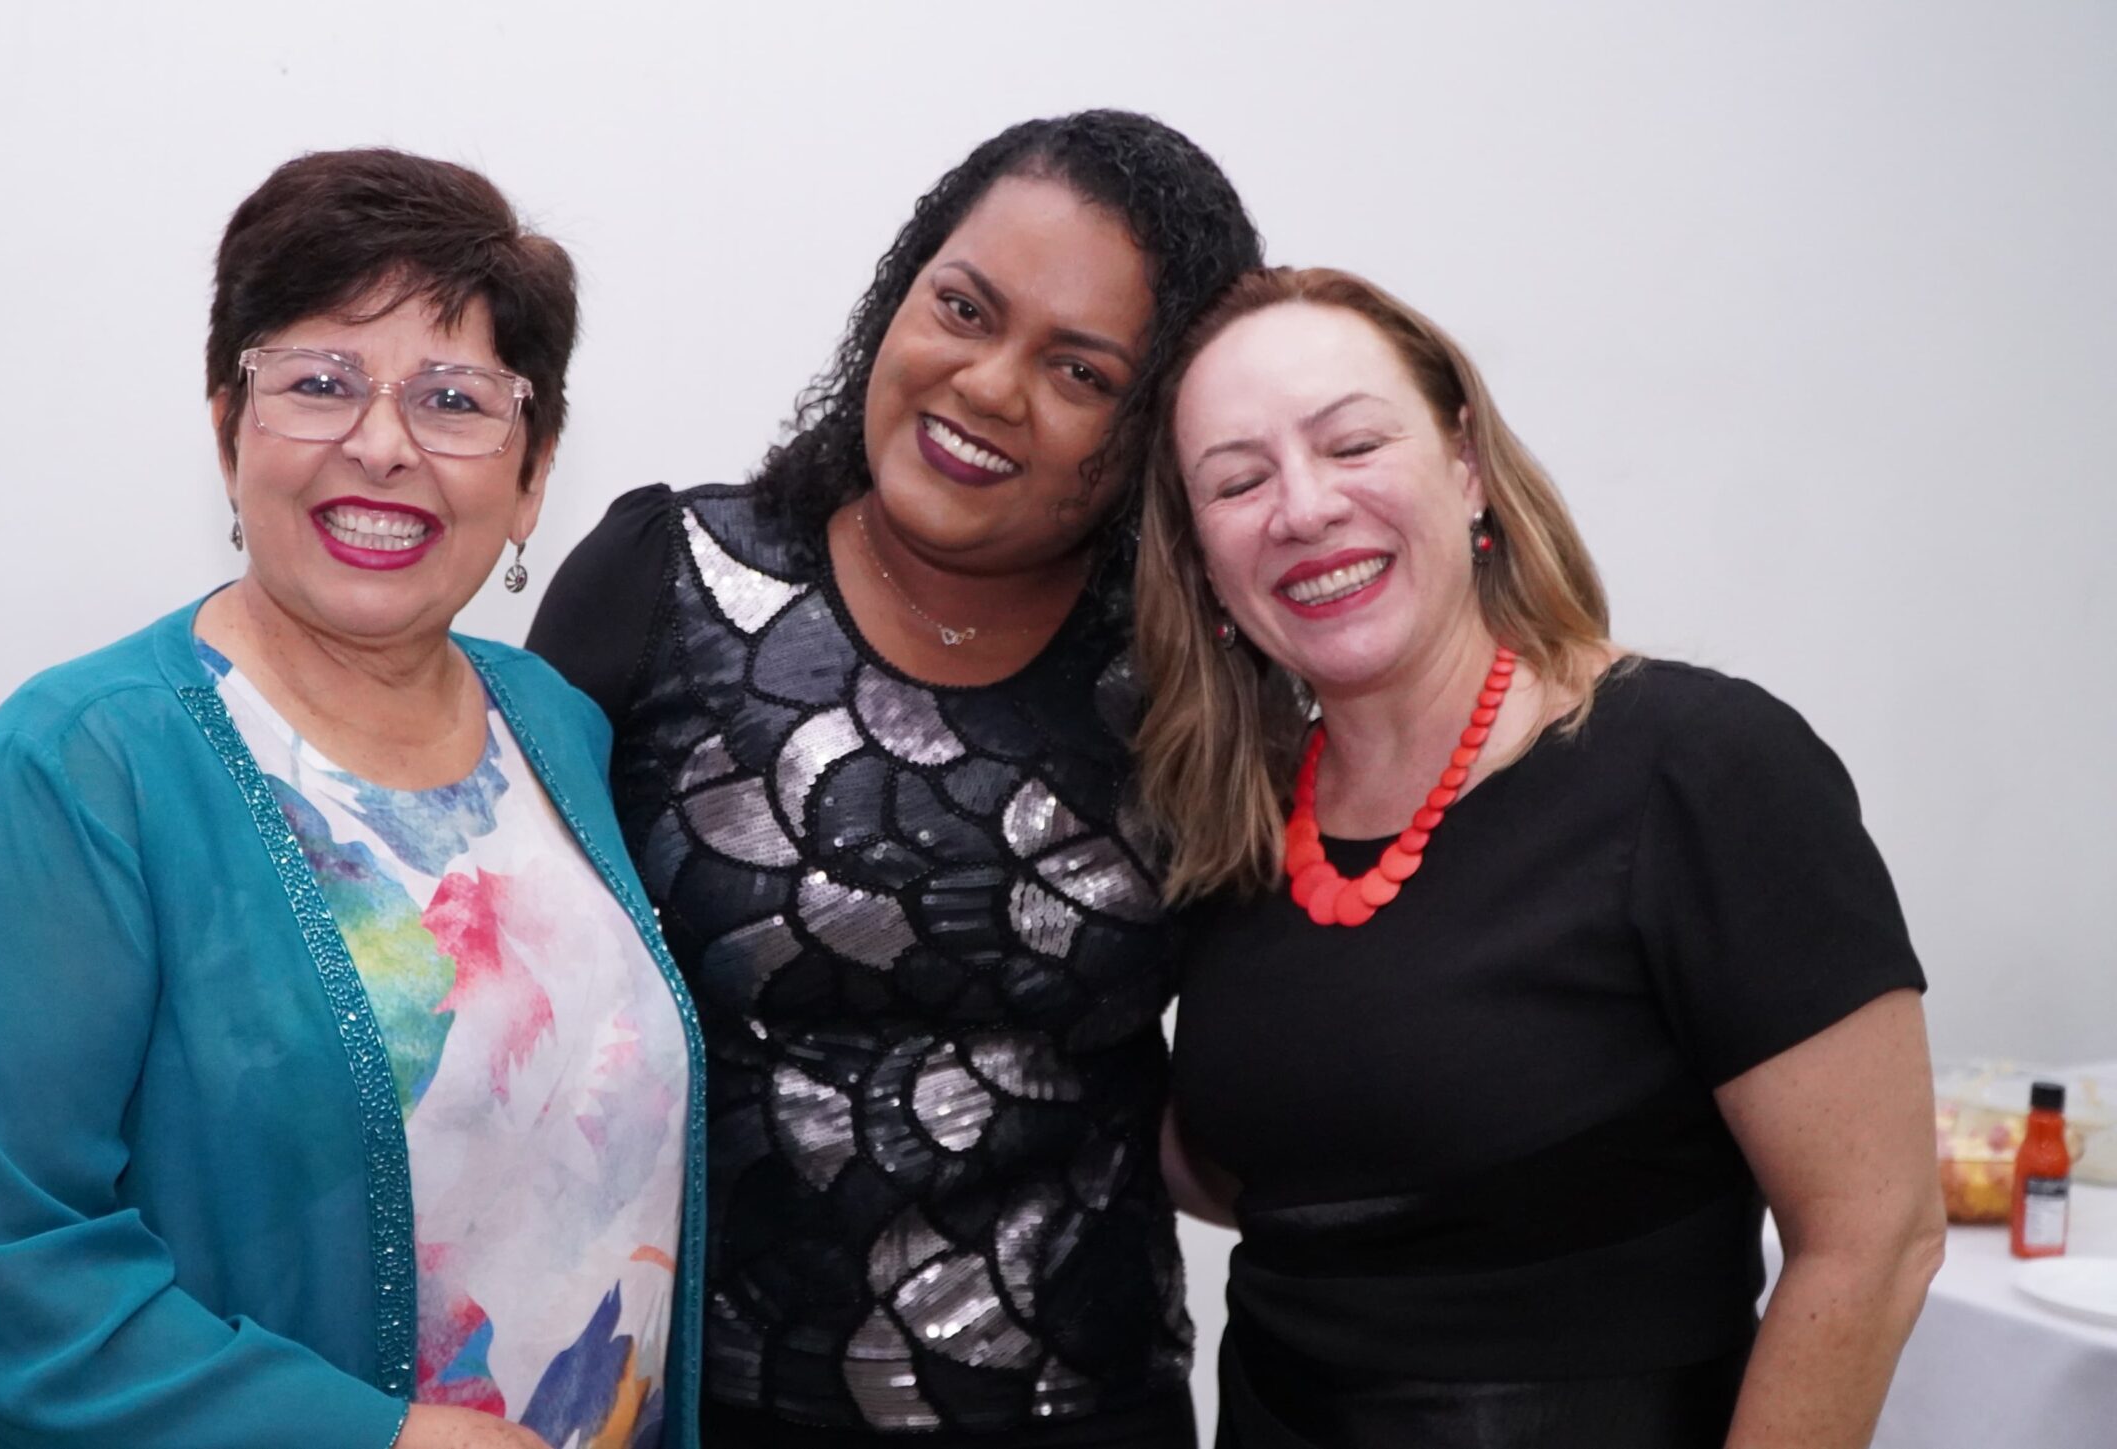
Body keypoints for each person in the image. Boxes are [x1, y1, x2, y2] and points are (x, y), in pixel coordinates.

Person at [0, 149, 707, 1449]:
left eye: (454, 399)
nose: (383, 445)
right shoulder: (83, 766)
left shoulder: (552, 724)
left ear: (533, 472)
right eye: (320, 383)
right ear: (227, 425)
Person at [525, 111, 1262, 1448]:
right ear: (896, 296)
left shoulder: (1191, 686)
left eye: (1080, 371)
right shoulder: (665, 583)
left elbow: (1274, 1071)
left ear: (1151, 428)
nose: (989, 384)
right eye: (964, 309)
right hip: (682, 1411)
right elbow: (493, 979)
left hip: (1082, 1416)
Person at [1136, 266, 1944, 1448]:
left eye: (1352, 444)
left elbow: (1875, 1239)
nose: (1301, 508)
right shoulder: (1231, 822)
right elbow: (1292, 1166)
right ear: (1201, 557)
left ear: (1465, 463)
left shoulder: (1700, 767)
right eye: (1237, 480)